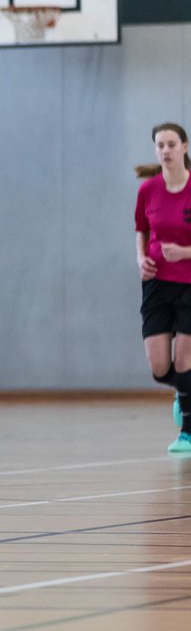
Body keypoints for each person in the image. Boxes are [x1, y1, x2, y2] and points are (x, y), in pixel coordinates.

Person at [136, 122, 191, 453]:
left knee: (184, 360)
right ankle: (183, 389)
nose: (166, 150)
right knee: (160, 368)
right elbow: (140, 229)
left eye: (172, 144)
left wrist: (185, 252)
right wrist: (141, 258)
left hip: (190, 285)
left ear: (184, 147)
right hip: (157, 284)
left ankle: (187, 432)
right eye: (160, 145)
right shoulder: (148, 190)